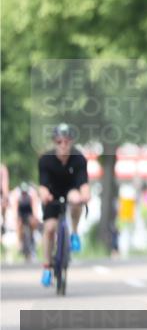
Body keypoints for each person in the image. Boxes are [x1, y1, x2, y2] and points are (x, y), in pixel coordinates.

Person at [38, 123, 90, 287]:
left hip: (70, 192)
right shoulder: (46, 160)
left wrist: (86, 195)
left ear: (71, 142)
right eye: (59, 141)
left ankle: (74, 233)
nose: (63, 145)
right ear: (55, 142)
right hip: (52, 195)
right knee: (49, 229)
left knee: (76, 200)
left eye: (66, 141)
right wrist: (44, 195)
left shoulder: (79, 158)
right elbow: (43, 186)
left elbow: (83, 184)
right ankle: (47, 267)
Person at [14, 182, 42, 261]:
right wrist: (16, 218)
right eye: (23, 192)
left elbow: (34, 208)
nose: (24, 194)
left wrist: (35, 217)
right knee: (18, 224)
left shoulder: (31, 195)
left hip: (29, 212)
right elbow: (15, 209)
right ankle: (19, 242)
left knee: (33, 221)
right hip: (21, 213)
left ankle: (32, 235)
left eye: (25, 192)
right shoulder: (17, 196)